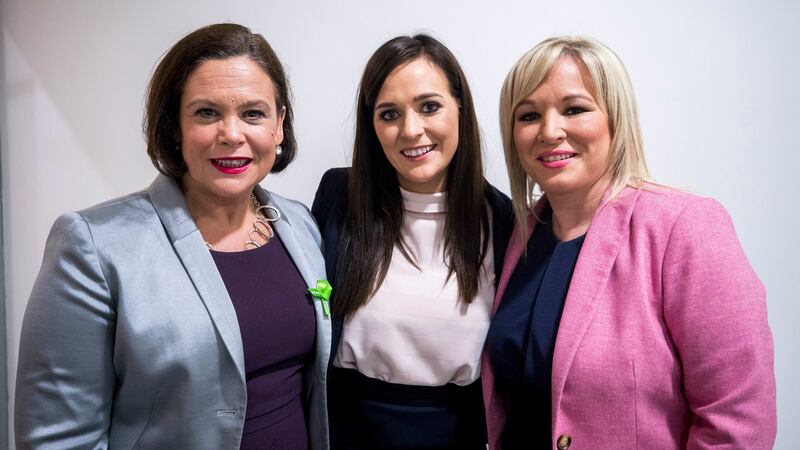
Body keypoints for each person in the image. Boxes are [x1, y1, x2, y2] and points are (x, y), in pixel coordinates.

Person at [15, 23, 330, 450]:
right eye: (206, 112)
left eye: (253, 113)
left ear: (279, 124)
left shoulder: (300, 225)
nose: (231, 134)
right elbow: (59, 438)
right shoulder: (94, 245)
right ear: (174, 127)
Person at [484, 36, 776, 450]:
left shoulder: (686, 226)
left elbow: (738, 421)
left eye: (574, 109)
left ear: (615, 119)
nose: (550, 131)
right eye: (529, 115)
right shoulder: (518, 234)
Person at [312, 34, 514, 449]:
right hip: (349, 433)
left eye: (429, 107)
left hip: (462, 435)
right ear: (373, 126)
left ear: (460, 108)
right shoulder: (339, 197)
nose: (410, 130)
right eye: (389, 114)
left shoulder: (502, 218)